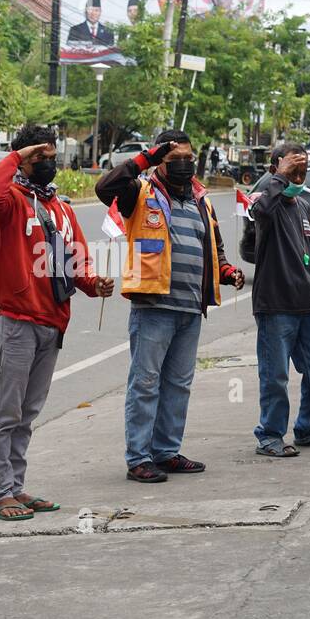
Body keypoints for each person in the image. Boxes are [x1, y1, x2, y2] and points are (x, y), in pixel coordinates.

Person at [0, 123, 113, 520]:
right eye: (41, 158)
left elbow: (79, 259)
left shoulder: (61, 208)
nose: (49, 164)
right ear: (24, 160)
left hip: (54, 322)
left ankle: (16, 487)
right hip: (19, 320)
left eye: (53, 157)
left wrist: (94, 283)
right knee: (6, 413)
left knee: (28, 413)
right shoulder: (12, 201)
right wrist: (18, 157)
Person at [95, 128, 244, 482]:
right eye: (173, 158)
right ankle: (139, 458)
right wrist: (144, 158)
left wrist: (226, 271)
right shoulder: (139, 192)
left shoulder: (201, 199)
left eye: (187, 158)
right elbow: (104, 188)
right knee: (146, 382)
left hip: (191, 308)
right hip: (153, 307)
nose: (182, 164)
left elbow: (213, 246)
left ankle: (166, 451)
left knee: (178, 383)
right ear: (159, 160)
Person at [248, 144, 310, 457]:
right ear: (277, 167)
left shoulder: (301, 206)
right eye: (294, 170)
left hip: (308, 305)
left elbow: (305, 254)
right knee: (275, 376)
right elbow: (259, 213)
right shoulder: (266, 201)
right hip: (275, 306)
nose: (300, 176)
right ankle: (270, 436)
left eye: (304, 170)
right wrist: (280, 176)